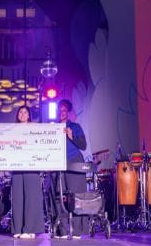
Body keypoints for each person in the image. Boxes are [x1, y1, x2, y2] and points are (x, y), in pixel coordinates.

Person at [55, 99, 88, 238]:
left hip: (75, 162)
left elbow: (83, 146)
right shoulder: (53, 128)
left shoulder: (75, 126)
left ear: (68, 112)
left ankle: (77, 230)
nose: (62, 113)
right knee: (60, 196)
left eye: (64, 110)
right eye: (59, 110)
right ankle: (62, 230)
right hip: (59, 163)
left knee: (77, 196)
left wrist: (71, 136)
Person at [11, 105, 44, 239]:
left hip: (32, 166)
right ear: (18, 115)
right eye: (21, 112)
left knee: (32, 197)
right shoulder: (11, 129)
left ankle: (30, 229)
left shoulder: (35, 128)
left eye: (25, 112)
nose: (23, 114)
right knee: (17, 197)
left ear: (29, 115)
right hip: (17, 167)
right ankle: (18, 228)